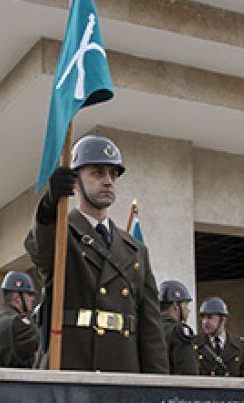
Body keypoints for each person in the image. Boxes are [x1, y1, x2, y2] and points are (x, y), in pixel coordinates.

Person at [25, 135, 168, 373]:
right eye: (97, 173)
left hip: (124, 373)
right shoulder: (62, 234)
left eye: (113, 174)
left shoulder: (135, 250)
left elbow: (151, 331)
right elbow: (40, 249)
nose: (108, 181)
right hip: (73, 368)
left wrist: (157, 390)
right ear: (75, 181)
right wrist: (49, 206)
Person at [0, 270, 41, 368]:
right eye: (29, 295)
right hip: (17, 380)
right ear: (17, 297)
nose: (33, 299)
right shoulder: (17, 323)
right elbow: (44, 342)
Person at [196, 297, 244, 378]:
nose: (205, 322)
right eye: (203, 318)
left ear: (223, 320)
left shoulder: (240, 346)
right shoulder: (195, 344)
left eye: (210, 317)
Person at [158, 280, 198, 375]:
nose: (188, 310)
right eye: (186, 304)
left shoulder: (152, 328)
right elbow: (188, 370)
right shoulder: (179, 331)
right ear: (176, 305)